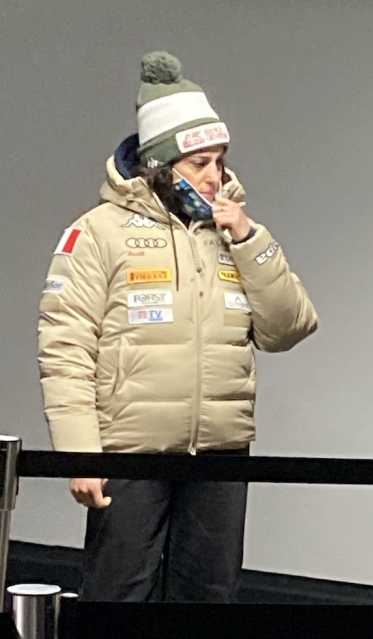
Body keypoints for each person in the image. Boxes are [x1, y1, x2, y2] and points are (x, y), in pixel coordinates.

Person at [37, 51, 318, 602]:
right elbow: (65, 348)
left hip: (220, 452)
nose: (216, 176)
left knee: (209, 597)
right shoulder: (97, 233)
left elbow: (289, 327)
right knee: (118, 596)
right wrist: (80, 454)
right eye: (200, 163)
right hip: (128, 451)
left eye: (221, 161)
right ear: (160, 166)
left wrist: (250, 239)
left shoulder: (236, 234)